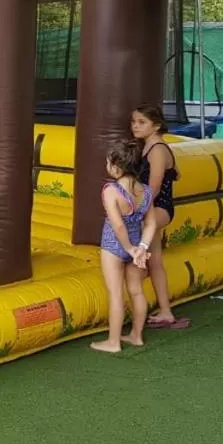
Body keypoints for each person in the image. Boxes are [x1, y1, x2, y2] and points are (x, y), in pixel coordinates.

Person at [131, 104, 190, 331]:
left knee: (138, 252)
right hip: (153, 208)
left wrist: (133, 209)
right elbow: (176, 173)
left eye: (141, 122)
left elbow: (153, 188)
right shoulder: (149, 146)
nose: (135, 126)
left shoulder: (156, 149)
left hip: (159, 209)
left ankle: (135, 300)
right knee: (155, 261)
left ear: (155, 126)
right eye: (134, 122)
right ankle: (165, 311)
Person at [90, 139, 152, 355]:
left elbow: (117, 224)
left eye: (108, 163)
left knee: (116, 294)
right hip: (137, 245)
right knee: (136, 291)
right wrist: (141, 247)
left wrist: (128, 249)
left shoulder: (111, 191)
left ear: (116, 166)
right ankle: (137, 336)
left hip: (114, 246)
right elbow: (151, 222)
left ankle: (113, 342)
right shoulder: (145, 191)